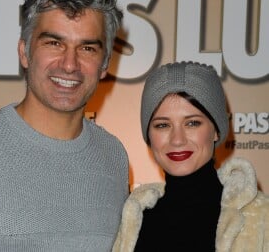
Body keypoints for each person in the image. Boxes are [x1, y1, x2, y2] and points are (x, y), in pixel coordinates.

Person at [0, 0, 129, 251]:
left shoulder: (113, 155)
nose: (69, 64)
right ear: (24, 52)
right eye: (54, 43)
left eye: (87, 48)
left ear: (105, 64)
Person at [113, 61, 269, 252]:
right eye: (162, 125)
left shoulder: (261, 217)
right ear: (149, 136)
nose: (177, 140)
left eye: (192, 123)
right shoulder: (133, 218)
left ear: (216, 131)